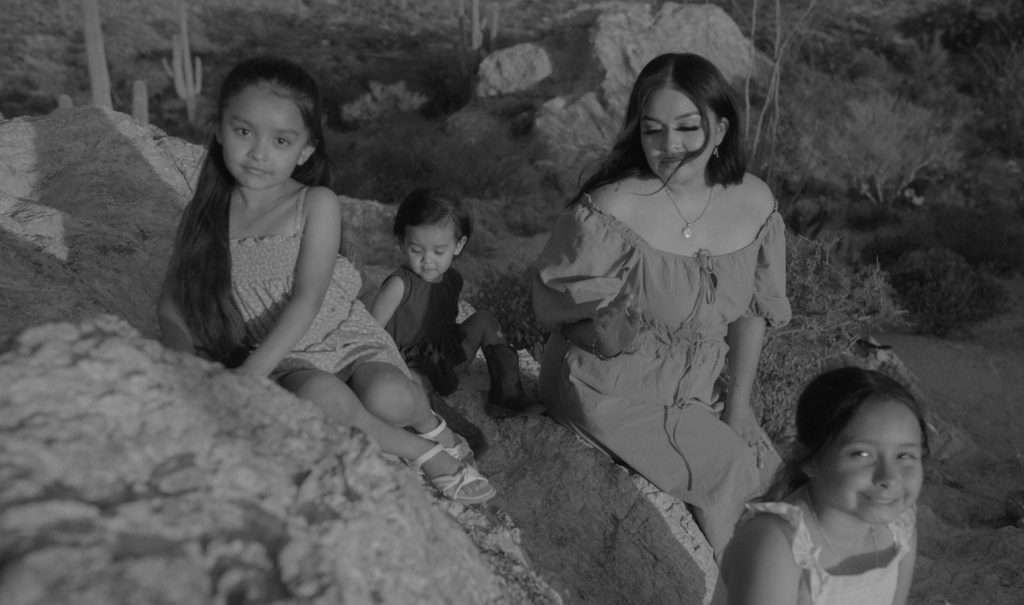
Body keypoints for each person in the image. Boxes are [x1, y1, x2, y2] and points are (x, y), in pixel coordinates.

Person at [156, 56, 494, 505]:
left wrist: (250, 377)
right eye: (243, 132)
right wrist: (194, 373)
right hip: (280, 352)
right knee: (325, 401)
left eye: (280, 139)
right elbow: (172, 303)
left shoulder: (314, 203)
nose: (259, 152)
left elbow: (308, 298)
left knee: (393, 397)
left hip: (340, 333)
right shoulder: (206, 216)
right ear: (218, 129)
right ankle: (423, 452)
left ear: (306, 150)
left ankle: (434, 426)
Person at [532, 53, 790, 558]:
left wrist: (737, 410)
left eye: (687, 128)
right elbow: (556, 311)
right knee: (729, 475)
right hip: (608, 382)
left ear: (720, 128)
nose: (669, 147)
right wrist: (606, 333)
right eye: (653, 131)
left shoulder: (755, 203)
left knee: (779, 487)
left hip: (700, 385)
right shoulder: (613, 209)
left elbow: (751, 313)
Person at [682, 366, 990, 605]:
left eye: (905, 456)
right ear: (812, 459)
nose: (888, 478)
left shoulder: (897, 525)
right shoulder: (776, 546)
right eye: (862, 453)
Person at [370, 186, 544, 419]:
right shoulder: (399, 285)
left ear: (459, 245)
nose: (427, 260)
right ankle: (440, 421)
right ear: (402, 242)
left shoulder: (453, 279)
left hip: (447, 357)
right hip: (409, 365)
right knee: (416, 384)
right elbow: (370, 333)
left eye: (439, 251)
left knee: (485, 320)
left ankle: (507, 396)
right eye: (416, 250)